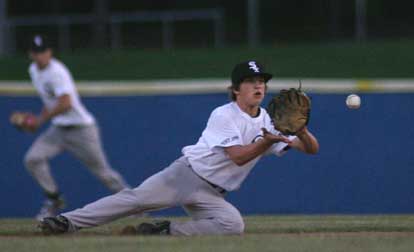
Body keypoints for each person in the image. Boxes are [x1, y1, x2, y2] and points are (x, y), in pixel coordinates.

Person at [39, 60, 319, 236]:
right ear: (236, 89)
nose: (258, 86)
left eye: (261, 82)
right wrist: (266, 142)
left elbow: (311, 150)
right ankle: (65, 222)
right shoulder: (225, 114)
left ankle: (165, 230)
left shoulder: (268, 121)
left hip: (212, 193)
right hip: (186, 175)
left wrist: (302, 131)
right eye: (251, 82)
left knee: (233, 225)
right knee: (134, 200)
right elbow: (237, 157)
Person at [23, 35, 130, 220]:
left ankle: (135, 206)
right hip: (59, 130)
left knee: (104, 174)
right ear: (30, 54)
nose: (41, 55)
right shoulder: (33, 70)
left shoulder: (57, 71)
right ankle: (54, 199)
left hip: (82, 129)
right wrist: (37, 120)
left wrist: (39, 121)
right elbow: (51, 101)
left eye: (44, 51)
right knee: (33, 159)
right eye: (37, 52)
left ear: (50, 52)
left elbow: (65, 103)